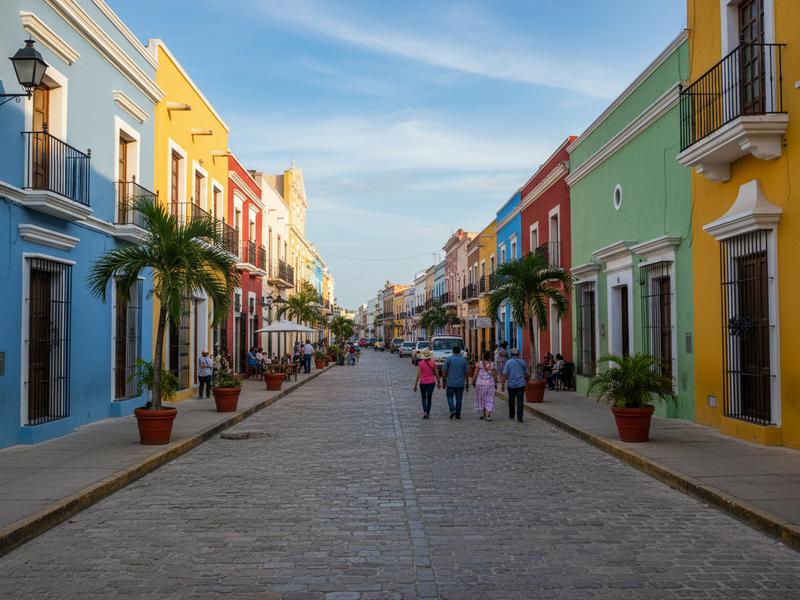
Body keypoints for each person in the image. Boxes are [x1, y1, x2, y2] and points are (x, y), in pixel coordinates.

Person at [502, 348, 529, 423]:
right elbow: (526, 374)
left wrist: (502, 385)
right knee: (520, 401)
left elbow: (505, 374)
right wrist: (527, 382)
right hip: (521, 385)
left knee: (511, 400)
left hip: (511, 385)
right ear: (518, 354)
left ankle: (512, 415)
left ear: (511, 355)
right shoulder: (523, 362)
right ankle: (520, 417)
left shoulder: (508, 362)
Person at [443, 345, 469, 420]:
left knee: (449, 397)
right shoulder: (463, 360)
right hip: (460, 383)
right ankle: (458, 414)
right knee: (459, 399)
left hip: (450, 383)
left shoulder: (448, 359)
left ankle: (452, 409)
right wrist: (467, 383)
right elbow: (467, 373)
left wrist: (444, 381)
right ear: (460, 352)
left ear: (453, 351)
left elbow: (444, 372)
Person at [413, 349, 441, 419]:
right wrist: (439, 382)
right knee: (429, 398)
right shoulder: (433, 362)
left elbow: (418, 375)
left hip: (422, 383)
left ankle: (425, 411)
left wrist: (415, 384)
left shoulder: (421, 363)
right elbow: (437, 373)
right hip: (431, 383)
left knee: (423, 398)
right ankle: (427, 413)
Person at [472, 350, 496, 420]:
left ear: (483, 356)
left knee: (482, 399)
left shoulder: (479, 364)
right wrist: (495, 382)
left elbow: (475, 373)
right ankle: (488, 415)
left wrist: (473, 381)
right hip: (490, 384)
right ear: (489, 357)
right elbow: (494, 374)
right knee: (489, 399)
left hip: (480, 384)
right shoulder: (492, 364)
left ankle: (484, 414)